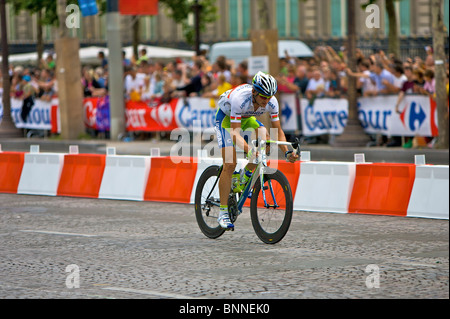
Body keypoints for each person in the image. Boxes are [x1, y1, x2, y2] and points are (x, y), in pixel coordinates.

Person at [214, 71, 299, 229]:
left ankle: (244, 176)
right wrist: (248, 149)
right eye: (263, 97)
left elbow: (278, 131)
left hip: (247, 118)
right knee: (230, 163)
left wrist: (287, 151)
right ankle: (223, 213)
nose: (266, 101)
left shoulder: (272, 101)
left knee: (266, 140)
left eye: (269, 97)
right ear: (254, 92)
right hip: (226, 120)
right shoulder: (240, 99)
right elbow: (234, 133)